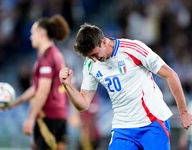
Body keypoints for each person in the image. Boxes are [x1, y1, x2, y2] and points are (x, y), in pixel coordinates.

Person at [59, 23, 192, 150]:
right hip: (122, 128)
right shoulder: (90, 64)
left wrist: (184, 112)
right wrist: (68, 85)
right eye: (89, 56)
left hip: (152, 123)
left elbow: (170, 75)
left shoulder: (132, 48)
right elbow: (83, 104)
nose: (93, 59)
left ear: (104, 42)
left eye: (94, 54)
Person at [0, 14, 70, 150]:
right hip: (58, 115)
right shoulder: (56, 54)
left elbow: (43, 90)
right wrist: (15, 103)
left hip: (48, 117)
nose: (31, 37)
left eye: (33, 33)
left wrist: (31, 118)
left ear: (42, 33)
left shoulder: (46, 58)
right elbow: (37, 87)